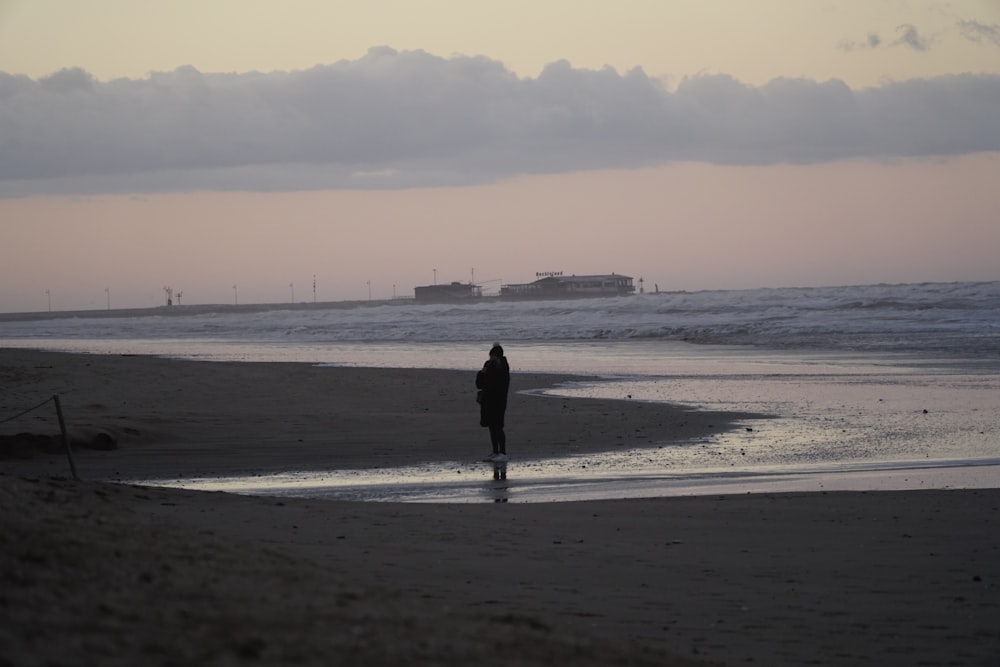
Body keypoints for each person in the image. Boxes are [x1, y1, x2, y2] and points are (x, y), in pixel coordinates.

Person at [476, 342, 510, 461]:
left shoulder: (503, 367)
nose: (492, 359)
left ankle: (503, 453)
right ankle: (495, 452)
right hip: (487, 401)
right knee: (491, 427)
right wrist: (482, 373)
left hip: (499, 402)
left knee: (498, 427)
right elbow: (479, 384)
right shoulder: (488, 365)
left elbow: (502, 385)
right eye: (491, 356)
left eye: (494, 356)